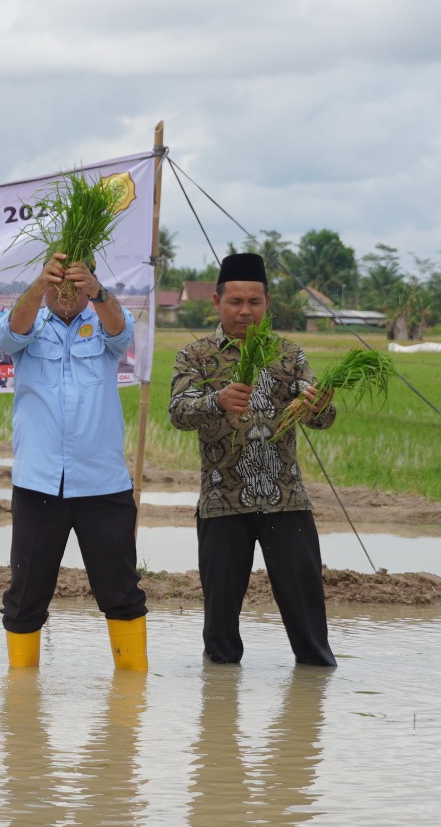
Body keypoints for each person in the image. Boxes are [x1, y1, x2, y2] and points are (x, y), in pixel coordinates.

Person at [168, 252, 338, 666]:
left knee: (310, 626)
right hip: (222, 502)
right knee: (220, 634)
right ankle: (220, 717)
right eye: (235, 302)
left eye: (254, 303)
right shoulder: (197, 356)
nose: (245, 312)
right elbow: (178, 411)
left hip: (286, 500)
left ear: (267, 304)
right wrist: (217, 400)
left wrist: (318, 404)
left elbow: (324, 418)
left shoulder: (289, 355)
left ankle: (311, 703)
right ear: (217, 303)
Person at [0, 253, 148, 670]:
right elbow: (10, 334)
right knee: (26, 595)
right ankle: (22, 703)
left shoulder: (105, 322)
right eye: (57, 281)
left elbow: (121, 332)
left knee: (121, 591)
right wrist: (38, 286)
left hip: (103, 484)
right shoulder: (29, 324)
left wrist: (96, 290)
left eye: (75, 282)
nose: (65, 292)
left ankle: (132, 697)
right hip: (39, 483)